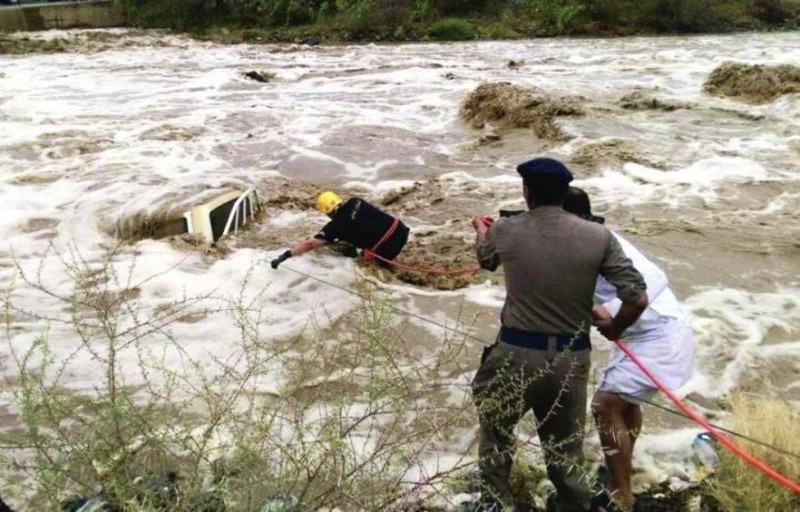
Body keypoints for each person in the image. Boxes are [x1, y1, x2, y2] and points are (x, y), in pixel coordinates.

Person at [470, 157, 649, 512]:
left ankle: (495, 505)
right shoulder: (599, 236)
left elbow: (486, 259)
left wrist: (480, 231)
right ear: (565, 193)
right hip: (570, 358)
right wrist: (614, 328)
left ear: (527, 193)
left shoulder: (506, 229)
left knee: (497, 438)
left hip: (514, 353)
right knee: (565, 448)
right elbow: (637, 297)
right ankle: (573, 505)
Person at [563, 187, 695, 512]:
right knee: (624, 403)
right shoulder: (580, 239)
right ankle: (622, 474)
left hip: (659, 334)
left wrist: (615, 324)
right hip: (642, 331)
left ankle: (622, 493)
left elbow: (649, 284)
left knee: (605, 405)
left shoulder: (604, 243)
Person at [270, 191, 410, 269]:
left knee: (362, 267)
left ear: (327, 212)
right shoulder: (356, 201)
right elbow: (360, 221)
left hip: (388, 248)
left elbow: (310, 244)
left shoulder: (336, 226)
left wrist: (285, 256)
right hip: (401, 229)